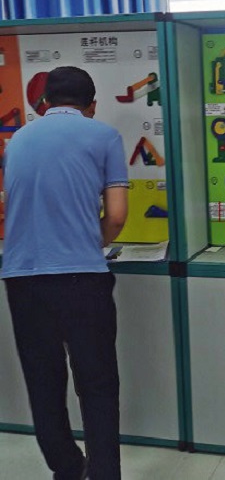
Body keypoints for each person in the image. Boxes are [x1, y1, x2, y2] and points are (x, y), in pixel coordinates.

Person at [2, 66, 129, 479]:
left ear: (45, 103)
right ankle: (104, 473)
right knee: (97, 383)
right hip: (81, 279)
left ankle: (67, 467)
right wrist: (94, 242)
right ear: (92, 105)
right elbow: (117, 215)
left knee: (43, 380)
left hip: (21, 279)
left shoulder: (18, 140)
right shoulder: (104, 136)